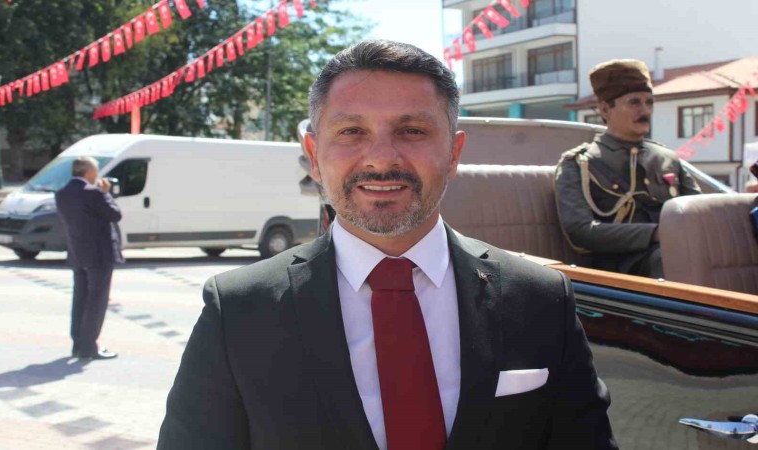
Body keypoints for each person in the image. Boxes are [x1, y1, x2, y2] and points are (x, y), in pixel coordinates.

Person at [157, 40, 617, 450]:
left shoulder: (540, 299)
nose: (381, 159)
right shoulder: (239, 311)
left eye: (412, 130)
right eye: (351, 131)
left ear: (453, 154)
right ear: (314, 156)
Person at [555, 59, 701, 278]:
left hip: (674, 253)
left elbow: (699, 211)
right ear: (605, 109)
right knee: (673, 257)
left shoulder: (666, 158)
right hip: (622, 272)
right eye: (634, 102)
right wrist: (656, 233)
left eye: (649, 102)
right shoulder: (580, 164)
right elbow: (581, 232)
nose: (645, 110)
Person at [55, 156, 122, 360]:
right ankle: (88, 347)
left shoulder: (62, 193)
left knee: (80, 299)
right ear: (89, 172)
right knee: (96, 300)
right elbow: (115, 215)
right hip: (99, 254)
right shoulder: (93, 193)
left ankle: (78, 344)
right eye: (96, 170)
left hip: (77, 253)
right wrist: (106, 193)